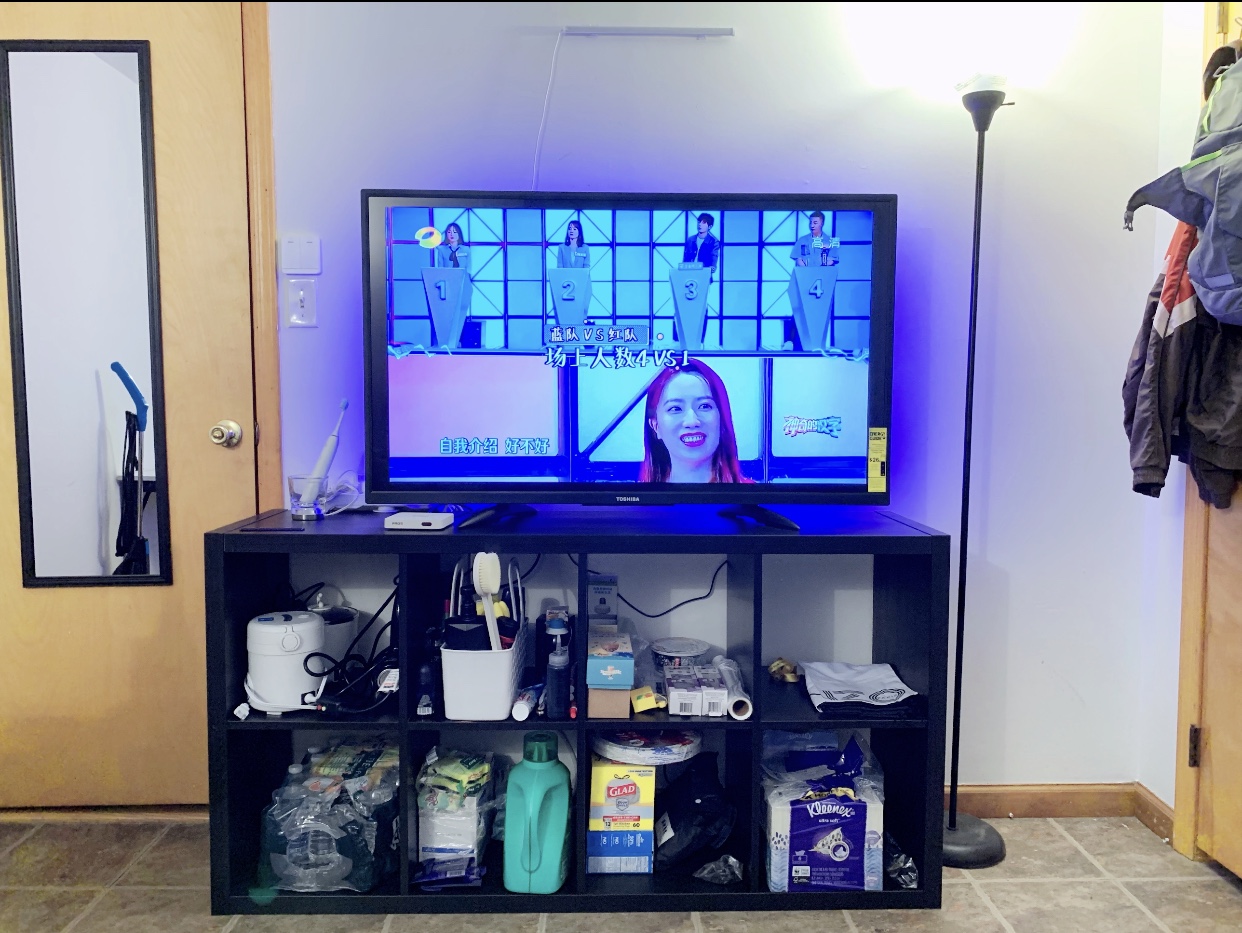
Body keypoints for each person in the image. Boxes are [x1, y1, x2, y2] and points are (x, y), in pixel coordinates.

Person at [639, 359, 751, 483]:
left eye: (704, 406)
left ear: (721, 418)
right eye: (675, 408)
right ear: (655, 426)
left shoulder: (753, 494)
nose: (692, 421)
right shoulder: (636, 495)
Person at [682, 213, 719, 277]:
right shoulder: (690, 240)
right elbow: (685, 258)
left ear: (710, 227)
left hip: (704, 275)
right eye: (699, 222)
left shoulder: (713, 241)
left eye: (703, 222)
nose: (700, 224)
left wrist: (713, 267)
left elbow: (714, 255)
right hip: (689, 274)